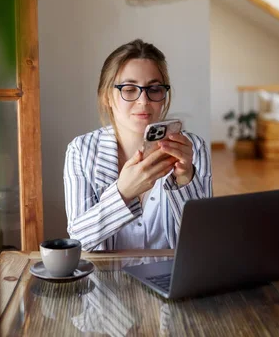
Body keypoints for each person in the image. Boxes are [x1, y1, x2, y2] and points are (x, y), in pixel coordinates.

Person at [63, 39, 212, 251]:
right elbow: (79, 241)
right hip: (106, 282)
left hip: (173, 281)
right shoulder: (81, 151)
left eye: (154, 89)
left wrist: (185, 180)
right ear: (107, 96)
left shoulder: (192, 148)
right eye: (130, 89)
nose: (144, 101)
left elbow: (204, 242)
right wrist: (124, 192)